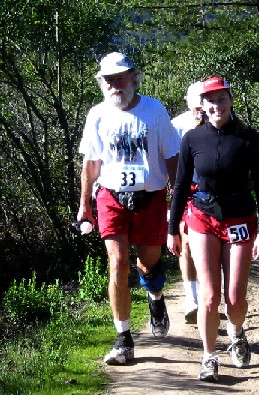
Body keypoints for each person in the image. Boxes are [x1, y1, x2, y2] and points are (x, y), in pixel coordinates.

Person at [77, 52, 181, 365]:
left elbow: (173, 155)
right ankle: (123, 339)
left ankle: (155, 297)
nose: (114, 85)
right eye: (108, 80)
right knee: (118, 262)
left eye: (120, 78)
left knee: (148, 264)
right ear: (102, 83)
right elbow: (91, 163)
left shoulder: (154, 110)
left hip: (150, 197)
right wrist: (84, 205)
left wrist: (177, 196)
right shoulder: (97, 114)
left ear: (133, 78)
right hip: (111, 196)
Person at [167, 76, 259, 382]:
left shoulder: (248, 137)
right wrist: (173, 228)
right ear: (203, 104)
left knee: (235, 298)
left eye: (221, 99)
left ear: (230, 101)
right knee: (210, 296)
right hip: (202, 218)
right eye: (210, 100)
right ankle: (209, 357)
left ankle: (237, 332)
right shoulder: (192, 138)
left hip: (240, 218)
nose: (216, 105)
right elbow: (181, 186)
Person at [170, 81, 206, 324]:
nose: (199, 114)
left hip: (212, 190)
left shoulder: (223, 121)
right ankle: (191, 299)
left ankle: (208, 295)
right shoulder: (176, 126)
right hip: (185, 189)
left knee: (207, 245)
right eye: (195, 108)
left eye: (201, 108)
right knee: (186, 242)